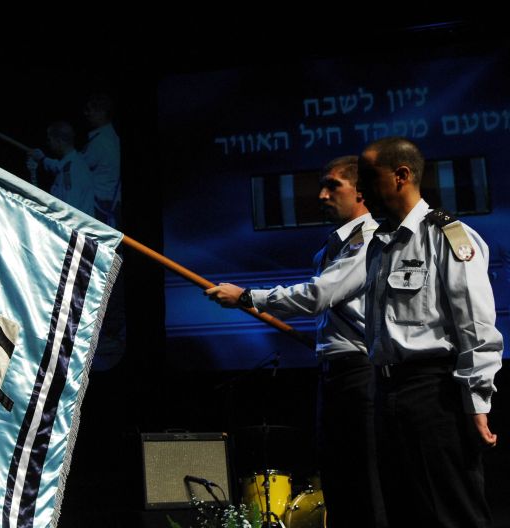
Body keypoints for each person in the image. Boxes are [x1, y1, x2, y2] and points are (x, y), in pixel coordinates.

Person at [206, 156, 386, 527]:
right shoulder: (331, 247)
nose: (321, 195)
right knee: (336, 479)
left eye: (333, 185)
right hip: (334, 373)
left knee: (366, 482)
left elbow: (317, 295)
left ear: (361, 191)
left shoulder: (369, 241)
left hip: (361, 375)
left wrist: (245, 297)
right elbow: (338, 308)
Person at [358, 136, 502, 527]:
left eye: (369, 179)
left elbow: (475, 325)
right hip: (387, 392)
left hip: (434, 394)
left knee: (454, 512)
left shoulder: (447, 235)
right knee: (405, 513)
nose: (360, 191)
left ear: (401, 175)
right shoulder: (379, 245)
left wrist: (477, 403)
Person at [27, 121, 94, 216]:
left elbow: (68, 212)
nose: (48, 144)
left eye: (49, 140)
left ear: (59, 141)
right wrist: (41, 159)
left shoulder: (71, 171)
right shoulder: (76, 161)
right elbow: (56, 166)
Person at [82, 93, 120, 227]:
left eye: (90, 110)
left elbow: (79, 167)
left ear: (102, 112)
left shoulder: (101, 141)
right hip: (108, 205)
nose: (86, 114)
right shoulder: (112, 137)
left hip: (99, 207)